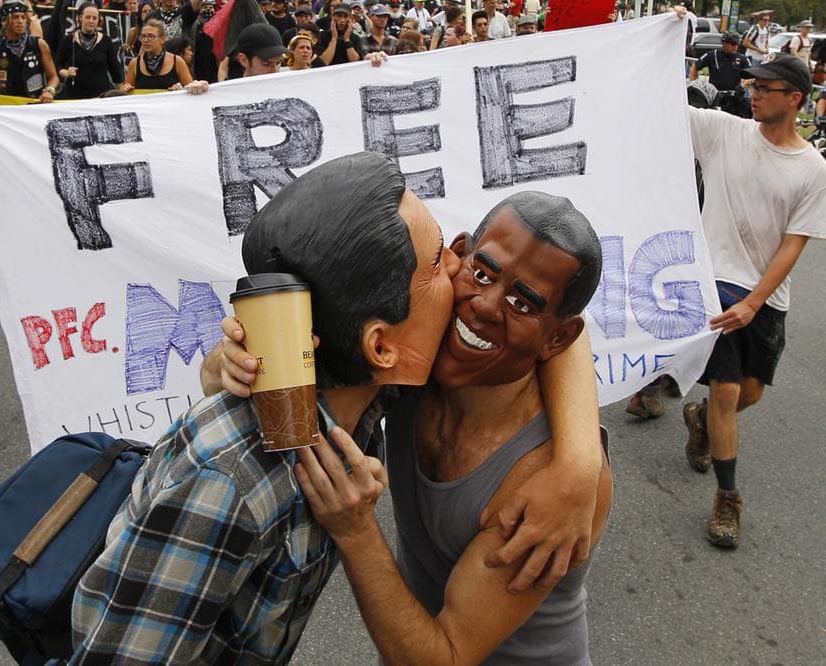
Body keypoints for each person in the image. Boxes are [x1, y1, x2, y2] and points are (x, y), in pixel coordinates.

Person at [69, 151, 461, 663]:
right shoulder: (227, 482)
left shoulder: (365, 396)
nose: (458, 263)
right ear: (381, 348)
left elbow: (538, 309)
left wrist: (578, 456)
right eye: (436, 264)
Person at [293, 192, 611, 664]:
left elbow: (447, 656)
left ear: (557, 338)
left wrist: (356, 529)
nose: (485, 305)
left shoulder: (543, 483)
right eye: (482, 274)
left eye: (522, 305)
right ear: (456, 256)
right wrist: (233, 363)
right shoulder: (418, 352)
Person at [677, 48, 826, 549]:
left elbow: (794, 242)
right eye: (752, 87)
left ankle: (699, 421)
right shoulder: (725, 132)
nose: (753, 94)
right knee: (725, 390)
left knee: (750, 393)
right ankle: (727, 498)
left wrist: (755, 302)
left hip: (764, 296)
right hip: (716, 282)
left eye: (765, 88)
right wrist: (672, 35)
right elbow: (661, 102)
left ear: (795, 99)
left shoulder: (812, 168)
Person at [0, 1, 60, 102]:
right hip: (7, 106)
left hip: (35, 104)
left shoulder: (38, 44)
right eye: (15, 17)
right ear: (5, 21)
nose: (20, 21)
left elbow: (53, 77)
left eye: (23, 17)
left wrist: (49, 90)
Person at [54, 2, 124, 98]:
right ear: (79, 18)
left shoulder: (106, 40)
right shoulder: (68, 40)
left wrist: (122, 93)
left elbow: (115, 70)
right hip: (75, 96)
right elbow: (58, 66)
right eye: (88, 17)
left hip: (101, 97)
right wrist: (66, 73)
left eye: (94, 18)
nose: (91, 21)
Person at [121, 19, 199, 91]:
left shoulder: (177, 61)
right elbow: (126, 95)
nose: (146, 40)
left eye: (151, 36)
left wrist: (180, 89)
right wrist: (125, 88)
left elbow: (191, 90)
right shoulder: (134, 64)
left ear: (162, 39)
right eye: (143, 36)